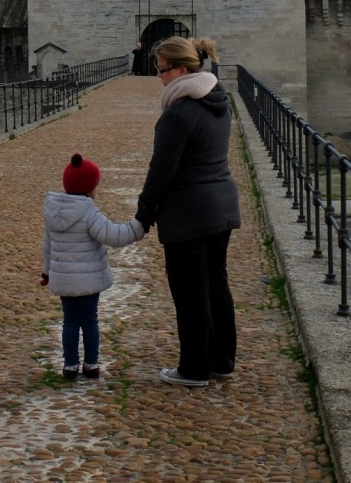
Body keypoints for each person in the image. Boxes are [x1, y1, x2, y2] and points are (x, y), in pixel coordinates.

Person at [135, 36, 240, 387]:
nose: (159, 78)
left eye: (162, 70)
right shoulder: (218, 100)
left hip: (188, 213)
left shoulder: (177, 114)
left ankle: (194, 367)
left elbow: (161, 169)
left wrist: (145, 207)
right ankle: (222, 360)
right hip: (221, 205)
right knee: (216, 285)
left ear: (181, 70)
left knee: (191, 292)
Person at [41, 152, 145, 379]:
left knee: (69, 321)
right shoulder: (88, 212)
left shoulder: (53, 211)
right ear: (90, 189)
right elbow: (114, 236)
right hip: (88, 280)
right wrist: (139, 226)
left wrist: (46, 272)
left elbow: (47, 246)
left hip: (64, 278)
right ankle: (90, 364)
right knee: (89, 320)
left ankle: (69, 364)